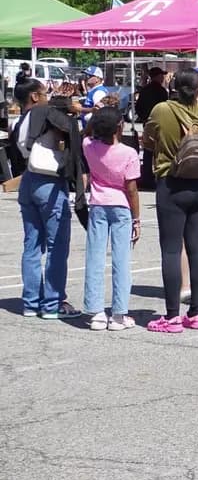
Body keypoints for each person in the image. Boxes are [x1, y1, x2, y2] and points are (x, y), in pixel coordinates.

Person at [147, 68, 198, 333]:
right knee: (197, 249)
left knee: (172, 250)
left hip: (171, 181)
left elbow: (149, 139)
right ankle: (196, 312)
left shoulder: (162, 109)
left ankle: (172, 315)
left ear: (173, 85)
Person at [18, 78, 85, 319]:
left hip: (28, 179)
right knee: (57, 245)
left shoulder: (24, 118)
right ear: (35, 97)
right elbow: (67, 131)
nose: (49, 96)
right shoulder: (47, 115)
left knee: (32, 244)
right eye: (45, 92)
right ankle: (53, 303)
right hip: (49, 182)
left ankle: (31, 302)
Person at [82, 105, 141, 331]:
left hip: (97, 204)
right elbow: (132, 189)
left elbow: (86, 133)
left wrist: (94, 118)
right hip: (121, 206)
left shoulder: (89, 146)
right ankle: (118, 314)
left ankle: (96, 312)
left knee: (95, 258)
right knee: (121, 260)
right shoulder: (129, 153)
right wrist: (137, 219)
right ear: (119, 126)